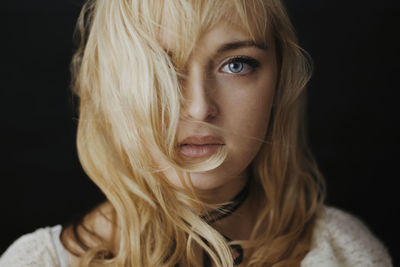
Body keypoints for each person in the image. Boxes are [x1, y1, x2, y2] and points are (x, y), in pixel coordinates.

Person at [0, 0, 393, 266]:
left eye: (237, 64)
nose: (199, 106)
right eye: (159, 68)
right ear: (110, 85)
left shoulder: (344, 252)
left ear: (279, 83)